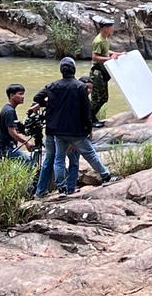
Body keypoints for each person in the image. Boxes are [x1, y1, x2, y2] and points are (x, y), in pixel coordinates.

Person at [42, 56, 118, 195]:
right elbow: (86, 110)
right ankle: (106, 175)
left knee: (59, 159)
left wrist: (49, 105)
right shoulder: (79, 86)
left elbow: (38, 97)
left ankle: (61, 187)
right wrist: (88, 128)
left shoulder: (53, 86)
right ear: (74, 70)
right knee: (90, 154)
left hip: (58, 130)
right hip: (76, 130)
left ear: (61, 70)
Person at [89, 17, 120, 127]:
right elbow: (95, 57)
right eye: (111, 27)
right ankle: (90, 119)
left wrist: (118, 54)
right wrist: (110, 59)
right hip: (97, 73)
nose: (112, 29)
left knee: (104, 98)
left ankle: (92, 118)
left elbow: (106, 52)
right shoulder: (99, 40)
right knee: (97, 98)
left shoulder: (105, 38)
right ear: (105, 28)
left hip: (103, 73)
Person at [0, 84, 36, 166]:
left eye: (23, 94)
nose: (23, 97)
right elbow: (12, 132)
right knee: (29, 161)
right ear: (12, 95)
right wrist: (27, 143)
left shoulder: (8, 109)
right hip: (6, 149)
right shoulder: (9, 111)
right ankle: (31, 179)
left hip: (4, 147)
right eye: (20, 94)